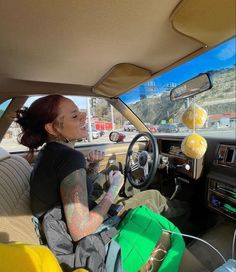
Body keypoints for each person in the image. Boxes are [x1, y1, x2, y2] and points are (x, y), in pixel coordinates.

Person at [15, 94, 187, 271]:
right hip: (89, 240)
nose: (83, 116)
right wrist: (114, 189)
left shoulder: (49, 153)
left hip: (68, 227)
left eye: (80, 112)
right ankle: (196, 225)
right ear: (52, 128)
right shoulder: (69, 158)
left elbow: (70, 191)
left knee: (125, 182)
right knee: (154, 197)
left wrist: (93, 166)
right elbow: (80, 230)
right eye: (74, 116)